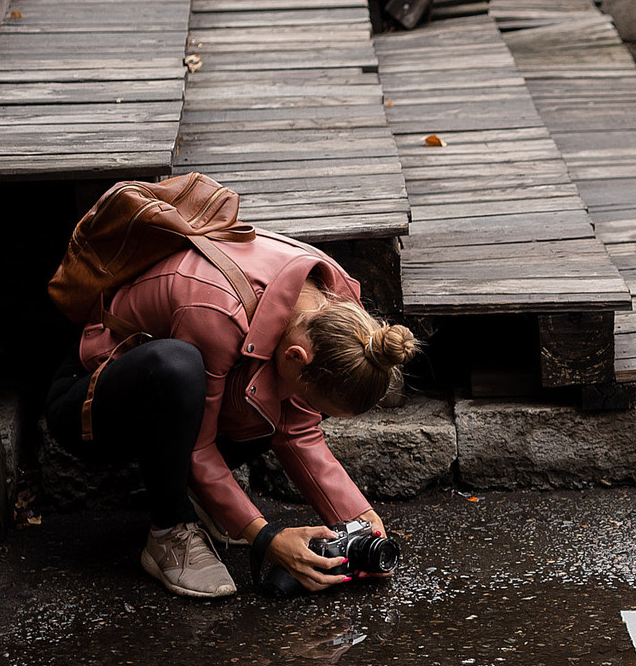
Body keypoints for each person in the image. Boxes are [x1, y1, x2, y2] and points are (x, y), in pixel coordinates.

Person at [44, 231, 422, 600]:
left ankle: (210, 501)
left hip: (186, 401)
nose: (315, 413)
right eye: (315, 402)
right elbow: (198, 445)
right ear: (296, 356)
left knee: (261, 394)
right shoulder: (217, 311)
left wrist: (360, 520)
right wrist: (265, 536)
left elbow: (298, 432)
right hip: (90, 399)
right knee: (178, 367)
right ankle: (169, 530)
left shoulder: (336, 311)